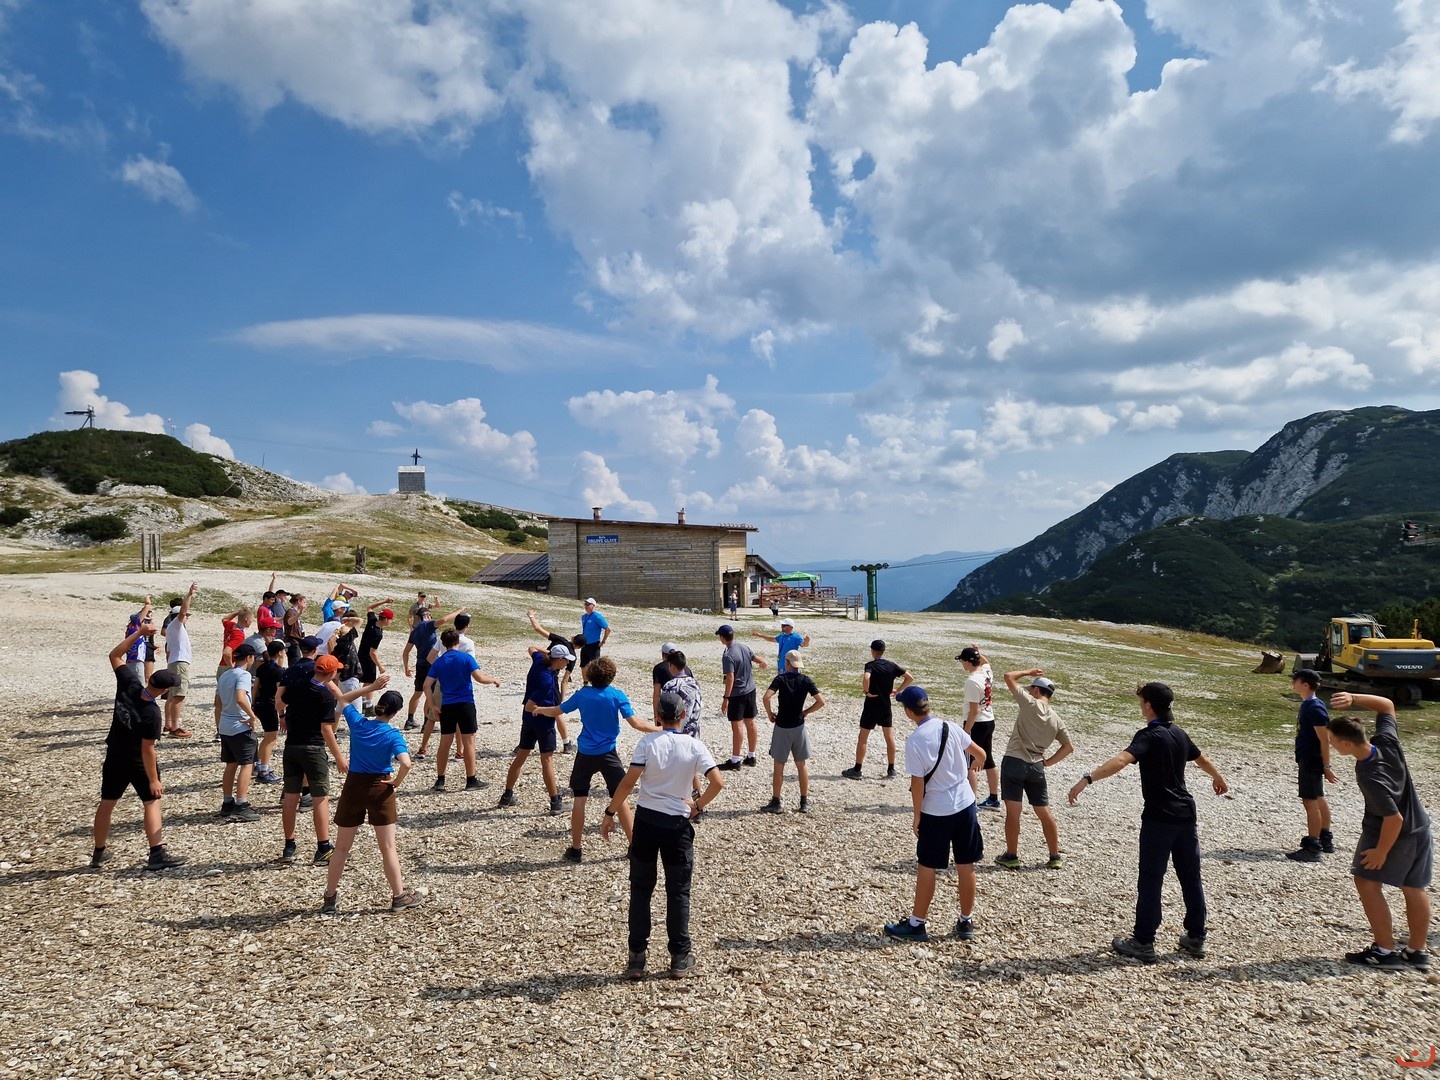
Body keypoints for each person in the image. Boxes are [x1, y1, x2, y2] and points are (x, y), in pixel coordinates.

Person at [1067, 682, 1229, 963]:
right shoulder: (1179, 733)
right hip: (1186, 814)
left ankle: (1143, 941)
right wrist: (1218, 777)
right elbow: (1202, 759)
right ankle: (1196, 936)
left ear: (1149, 706)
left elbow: (1121, 760)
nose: (1141, 705)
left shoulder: (1149, 736)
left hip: (1159, 817)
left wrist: (1087, 779)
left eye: (1142, 701)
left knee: (1151, 879)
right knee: (1190, 877)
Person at [602, 689, 724, 979]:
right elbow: (717, 782)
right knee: (678, 891)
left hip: (646, 821)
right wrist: (698, 806)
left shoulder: (648, 742)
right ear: (684, 715)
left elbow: (628, 782)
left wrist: (610, 812)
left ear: (658, 716)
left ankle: (636, 957)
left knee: (641, 890)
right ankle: (679, 956)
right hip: (677, 825)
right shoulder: (694, 746)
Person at [1326, 692, 1432, 969]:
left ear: (1346, 744)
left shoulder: (1370, 775)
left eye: (1332, 741)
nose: (1331, 745)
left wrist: (1381, 852)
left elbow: (1393, 819)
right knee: (1414, 887)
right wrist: (1352, 697)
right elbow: (1387, 705)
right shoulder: (1386, 742)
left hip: (1392, 832)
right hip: (1420, 827)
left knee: (1366, 882)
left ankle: (1385, 951)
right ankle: (1417, 951)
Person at [883, 686, 986, 942]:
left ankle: (917, 923)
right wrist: (974, 766)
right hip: (965, 805)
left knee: (927, 866)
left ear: (908, 712)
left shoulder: (915, 741)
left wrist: (917, 815)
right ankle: (966, 920)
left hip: (936, 810)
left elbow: (917, 783)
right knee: (966, 864)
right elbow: (980, 753)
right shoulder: (951, 726)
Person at [532, 656, 659, 862]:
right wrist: (660, 729)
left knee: (580, 799)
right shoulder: (617, 695)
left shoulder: (582, 695)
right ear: (611, 676)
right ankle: (633, 846)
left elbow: (557, 710)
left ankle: (576, 849)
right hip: (608, 753)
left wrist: (539, 709)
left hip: (586, 753)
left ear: (590, 676)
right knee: (620, 798)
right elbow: (636, 723)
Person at [92, 613, 186, 871]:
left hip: (114, 754)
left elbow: (115, 655)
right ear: (164, 690)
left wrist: (139, 633)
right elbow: (148, 749)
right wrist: (154, 779)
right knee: (151, 801)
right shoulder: (152, 714)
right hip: (136, 759)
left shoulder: (130, 684)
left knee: (107, 802)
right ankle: (156, 854)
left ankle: (98, 853)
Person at [322, 688, 422, 914]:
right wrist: (396, 782)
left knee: (342, 847)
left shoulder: (359, 723)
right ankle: (398, 897)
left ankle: (330, 898)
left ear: (380, 705)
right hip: (380, 787)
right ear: (397, 712)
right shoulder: (393, 735)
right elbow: (406, 763)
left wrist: (372, 687)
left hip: (354, 786)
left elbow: (343, 698)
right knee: (388, 847)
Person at [993, 667, 1073, 870]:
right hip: (1036, 766)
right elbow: (1068, 747)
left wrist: (1029, 672)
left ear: (1036, 690)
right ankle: (1054, 856)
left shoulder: (1029, 703)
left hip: (1014, 761)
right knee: (1044, 811)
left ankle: (1012, 855)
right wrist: (1048, 762)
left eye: (1031, 689)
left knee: (1014, 812)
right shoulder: (1056, 718)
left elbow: (1008, 676)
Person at [276, 653, 351, 865]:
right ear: (332, 672)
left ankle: (289, 846)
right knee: (320, 798)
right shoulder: (324, 695)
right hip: (313, 749)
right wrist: (339, 757)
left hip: (291, 747)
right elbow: (326, 729)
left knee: (291, 798)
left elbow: (279, 703)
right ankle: (323, 848)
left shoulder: (298, 685)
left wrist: (286, 716)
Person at [423, 628, 501, 791]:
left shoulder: (439, 662)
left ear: (443, 643)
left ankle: (440, 780)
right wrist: (493, 679)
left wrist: (433, 705)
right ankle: (471, 779)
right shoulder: (466, 658)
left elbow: (426, 685)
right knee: (469, 742)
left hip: (447, 705)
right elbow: (480, 678)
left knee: (445, 743)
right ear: (457, 642)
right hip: (465, 704)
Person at [499, 643, 571, 814]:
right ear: (559, 660)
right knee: (547, 761)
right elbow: (530, 706)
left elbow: (532, 648)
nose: (567, 663)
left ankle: (507, 796)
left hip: (528, 721)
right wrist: (551, 711)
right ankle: (555, 802)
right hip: (542, 723)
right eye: (566, 660)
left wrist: (549, 652)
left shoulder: (539, 660)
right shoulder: (546, 680)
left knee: (521, 756)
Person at [760, 650, 824, 813]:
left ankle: (776, 802)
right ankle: (804, 802)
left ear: (787, 663)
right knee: (801, 764)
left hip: (782, 726)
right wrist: (806, 712)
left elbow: (766, 697)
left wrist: (769, 713)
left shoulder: (780, 679)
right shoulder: (806, 680)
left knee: (779, 764)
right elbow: (821, 701)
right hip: (799, 726)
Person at [842, 639, 912, 780]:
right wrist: (898, 690)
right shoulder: (892, 665)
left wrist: (866, 691)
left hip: (871, 704)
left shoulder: (870, 665)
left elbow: (866, 677)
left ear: (873, 651)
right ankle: (891, 768)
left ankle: (857, 769)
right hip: (885, 705)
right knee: (889, 737)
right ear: (883, 651)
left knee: (863, 738)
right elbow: (909, 678)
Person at [1287, 668, 1336, 862]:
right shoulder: (1309, 704)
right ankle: (1325, 838)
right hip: (1309, 758)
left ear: (1305, 684)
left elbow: (1325, 739)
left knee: (1310, 801)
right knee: (1318, 797)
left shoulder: (1314, 707)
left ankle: (1313, 847)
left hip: (1311, 759)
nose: (1293, 684)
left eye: (1295, 681)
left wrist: (1327, 766)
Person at [216, 642, 263, 823]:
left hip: (225, 725)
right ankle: (241, 804)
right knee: (247, 764)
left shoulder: (225, 675)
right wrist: (251, 716)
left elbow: (217, 702)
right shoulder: (243, 675)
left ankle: (227, 802)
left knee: (231, 763)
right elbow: (241, 697)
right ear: (249, 658)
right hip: (240, 725)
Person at [525, 608, 584, 751]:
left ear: (573, 638)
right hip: (552, 679)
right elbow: (565, 680)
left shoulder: (560, 640)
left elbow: (537, 629)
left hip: (537, 672)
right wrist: (561, 698)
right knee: (557, 712)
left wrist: (531, 616)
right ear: (581, 647)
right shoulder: (573, 658)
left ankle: (525, 742)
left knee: (530, 704)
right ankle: (566, 743)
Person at [401, 604, 463, 731]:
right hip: (431, 664)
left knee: (417, 693)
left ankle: (410, 720)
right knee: (431, 693)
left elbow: (406, 651)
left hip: (420, 664)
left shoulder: (415, 631)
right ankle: (427, 723)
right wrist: (459, 611)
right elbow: (444, 619)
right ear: (428, 616)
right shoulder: (428, 625)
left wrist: (406, 667)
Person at [715, 623, 767, 770]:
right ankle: (751, 756)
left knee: (737, 725)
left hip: (737, 694)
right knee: (750, 722)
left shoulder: (728, 655)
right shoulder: (743, 646)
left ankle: (735, 760)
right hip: (750, 689)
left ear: (722, 638)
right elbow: (756, 658)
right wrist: (763, 662)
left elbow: (730, 677)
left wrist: (726, 698)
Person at [958, 646, 1000, 809]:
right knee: (988, 760)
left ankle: (971, 802)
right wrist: (978, 651)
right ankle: (994, 798)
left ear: (968, 662)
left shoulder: (972, 681)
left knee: (969, 763)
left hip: (977, 723)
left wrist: (966, 731)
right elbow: (986, 662)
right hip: (989, 719)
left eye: (962, 661)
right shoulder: (986, 672)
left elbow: (974, 711)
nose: (962, 664)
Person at [162, 582, 198, 737]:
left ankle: (168, 724)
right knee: (179, 695)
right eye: (186, 616)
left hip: (173, 662)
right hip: (180, 663)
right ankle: (175, 727)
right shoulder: (176, 624)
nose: (187, 617)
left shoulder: (172, 629)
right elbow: (183, 611)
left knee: (172, 695)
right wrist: (189, 595)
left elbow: (169, 651)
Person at [252, 639, 287, 783]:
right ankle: (264, 771)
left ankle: (259, 764)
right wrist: (282, 714)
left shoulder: (262, 667)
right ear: (280, 652)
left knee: (267, 737)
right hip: (270, 705)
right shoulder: (279, 671)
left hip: (259, 703)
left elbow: (255, 687)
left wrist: (252, 704)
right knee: (271, 738)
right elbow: (279, 694)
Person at [357, 601, 396, 712]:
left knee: (365, 681)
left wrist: (385, 601)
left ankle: (362, 702)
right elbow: (373, 652)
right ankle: (368, 706)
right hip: (368, 658)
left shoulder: (372, 621)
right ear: (386, 619)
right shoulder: (377, 634)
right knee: (370, 682)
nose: (391, 621)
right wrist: (380, 666)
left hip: (360, 654)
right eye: (391, 619)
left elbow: (369, 607)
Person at [651, 642, 691, 720]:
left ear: (663, 654)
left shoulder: (659, 668)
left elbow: (657, 693)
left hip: (671, 709)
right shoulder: (686, 668)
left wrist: (656, 715)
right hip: (687, 711)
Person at [580, 597, 611, 674]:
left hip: (594, 645)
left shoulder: (597, 616)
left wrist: (603, 641)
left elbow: (608, 629)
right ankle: (585, 681)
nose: (586, 606)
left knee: (595, 666)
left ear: (593, 605)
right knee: (583, 665)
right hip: (585, 644)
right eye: (585, 604)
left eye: (588, 604)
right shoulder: (583, 617)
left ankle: (596, 681)